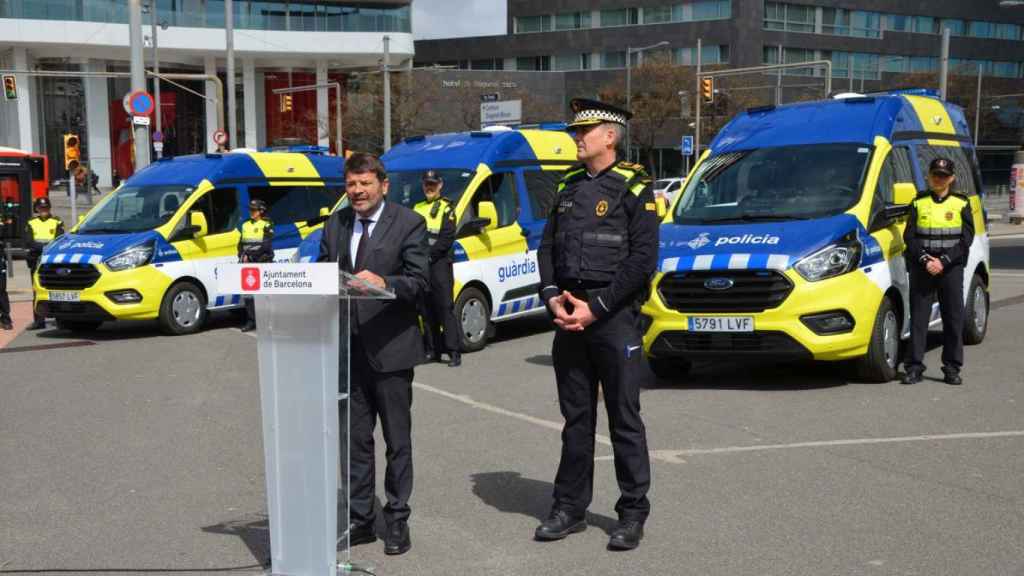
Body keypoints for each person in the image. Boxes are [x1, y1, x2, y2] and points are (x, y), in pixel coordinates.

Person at [535, 99, 659, 551]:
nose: (577, 137)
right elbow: (546, 249)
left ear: (610, 136)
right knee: (576, 419)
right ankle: (569, 508)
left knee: (624, 418)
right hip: (568, 316)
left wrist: (597, 307)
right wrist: (552, 298)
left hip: (613, 318)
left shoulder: (634, 187)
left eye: (585, 131)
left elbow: (643, 260)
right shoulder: (566, 187)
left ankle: (631, 513)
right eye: (575, 131)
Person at [317, 152, 429, 556]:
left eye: (365, 184)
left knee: (397, 441)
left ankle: (397, 520)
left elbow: (420, 282)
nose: (358, 191)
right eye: (351, 184)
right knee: (354, 442)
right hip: (348, 350)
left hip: (391, 350)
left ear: (383, 184)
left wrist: (386, 281)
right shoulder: (336, 222)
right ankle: (360, 520)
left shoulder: (409, 223)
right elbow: (322, 271)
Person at [902, 157, 974, 386]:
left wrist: (942, 261)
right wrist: (925, 260)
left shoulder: (961, 203)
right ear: (929, 176)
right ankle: (914, 368)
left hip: (950, 268)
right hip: (923, 268)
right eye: (935, 174)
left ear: (951, 178)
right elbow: (909, 237)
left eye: (943, 175)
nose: (938, 179)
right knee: (919, 320)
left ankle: (952, 368)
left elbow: (966, 239)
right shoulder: (918, 202)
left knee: (953, 319)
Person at [412, 170, 461, 367]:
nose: (429, 187)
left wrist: (428, 256)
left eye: (433, 184)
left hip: (439, 264)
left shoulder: (447, 208)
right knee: (426, 310)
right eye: (426, 184)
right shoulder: (417, 207)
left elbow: (447, 238)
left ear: (440, 185)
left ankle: (454, 352)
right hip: (422, 266)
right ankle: (433, 350)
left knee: (444, 308)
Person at [26, 197, 64, 330]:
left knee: (58, 291)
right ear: (36, 209)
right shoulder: (31, 222)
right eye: (41, 208)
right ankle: (38, 321)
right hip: (36, 260)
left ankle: (61, 319)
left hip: (51, 261)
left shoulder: (57, 221)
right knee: (37, 290)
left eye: (46, 208)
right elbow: (28, 241)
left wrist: (44, 248)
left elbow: (60, 239)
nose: (44, 210)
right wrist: (45, 247)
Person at [237, 198, 275, 332]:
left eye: (254, 210)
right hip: (248, 264)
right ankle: (251, 321)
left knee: (265, 295)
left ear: (261, 211)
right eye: (251, 210)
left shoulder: (267, 224)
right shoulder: (245, 225)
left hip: (262, 262)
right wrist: (242, 255)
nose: (251, 212)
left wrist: (252, 256)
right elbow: (240, 244)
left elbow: (266, 245)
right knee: (248, 295)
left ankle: (268, 322)